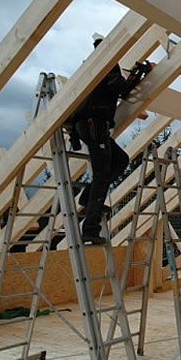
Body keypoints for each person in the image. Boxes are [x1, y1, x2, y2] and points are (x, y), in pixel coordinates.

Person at [72, 38, 129, 244]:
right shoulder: (106, 63)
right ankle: (90, 229)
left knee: (121, 159)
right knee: (102, 174)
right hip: (94, 123)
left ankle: (88, 198)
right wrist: (128, 82)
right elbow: (117, 85)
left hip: (92, 125)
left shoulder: (93, 67)